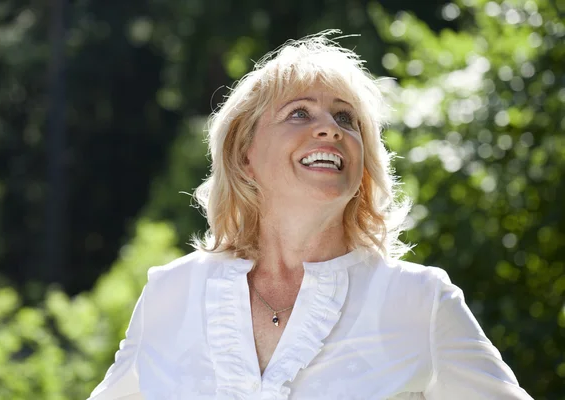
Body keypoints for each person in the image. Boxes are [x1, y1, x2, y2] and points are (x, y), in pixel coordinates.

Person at [88, 32, 533, 399]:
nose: (330, 128)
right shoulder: (170, 293)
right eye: (299, 112)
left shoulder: (420, 301)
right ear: (245, 155)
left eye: (346, 118)